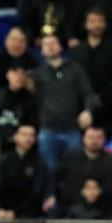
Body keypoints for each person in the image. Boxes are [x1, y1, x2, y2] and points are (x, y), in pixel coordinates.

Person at [34, 34, 96, 174]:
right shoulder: (38, 73)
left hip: (72, 129)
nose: (50, 46)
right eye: (46, 44)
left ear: (60, 47)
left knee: (75, 170)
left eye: (53, 42)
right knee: (48, 171)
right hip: (48, 129)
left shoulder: (74, 69)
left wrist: (88, 111)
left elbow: (88, 93)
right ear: (41, 50)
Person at [47, 126, 112, 215]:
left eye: (98, 138)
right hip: (68, 204)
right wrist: (51, 195)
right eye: (91, 137)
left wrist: (97, 194)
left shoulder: (110, 162)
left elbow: (111, 186)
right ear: (84, 139)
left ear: (104, 140)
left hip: (99, 206)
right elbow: (55, 177)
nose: (94, 141)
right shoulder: (71, 156)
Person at [0, 124, 49, 219]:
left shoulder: (39, 162)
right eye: (24, 134)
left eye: (31, 135)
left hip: (28, 215)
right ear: (15, 137)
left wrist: (15, 212)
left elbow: (36, 193)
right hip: (2, 212)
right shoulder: (4, 160)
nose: (28, 138)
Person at [0, 61, 37, 150]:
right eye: (15, 73)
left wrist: (17, 137)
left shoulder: (30, 98)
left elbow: (31, 125)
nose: (19, 77)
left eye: (22, 73)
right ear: (8, 74)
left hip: (18, 144)